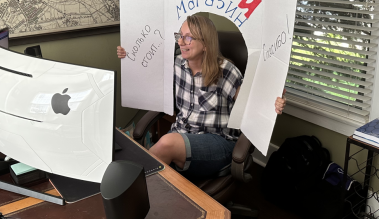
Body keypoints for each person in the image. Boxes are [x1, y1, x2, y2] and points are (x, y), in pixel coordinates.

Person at [117, 15, 286, 178]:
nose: (181, 42)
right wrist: (128, 56)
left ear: (205, 44)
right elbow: (146, 75)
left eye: (188, 38)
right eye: (180, 36)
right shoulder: (176, 65)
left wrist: (274, 102)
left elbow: (251, 105)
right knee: (162, 161)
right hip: (181, 134)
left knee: (166, 144)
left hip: (217, 141)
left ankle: (128, 187)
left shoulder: (226, 71)